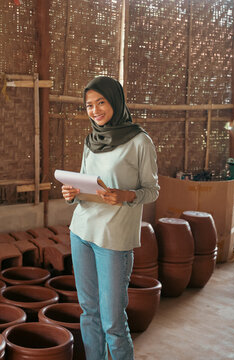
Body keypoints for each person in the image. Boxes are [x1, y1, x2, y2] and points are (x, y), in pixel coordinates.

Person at [61, 76, 159, 360]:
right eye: (89, 105)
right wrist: (73, 193)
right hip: (81, 231)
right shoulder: (91, 139)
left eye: (101, 102)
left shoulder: (140, 141)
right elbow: (85, 182)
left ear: (115, 100)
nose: (95, 110)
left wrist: (126, 195)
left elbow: (152, 190)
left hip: (114, 239)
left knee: (113, 323)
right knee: (88, 313)